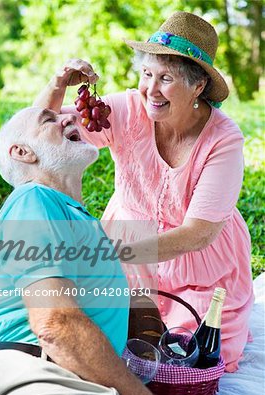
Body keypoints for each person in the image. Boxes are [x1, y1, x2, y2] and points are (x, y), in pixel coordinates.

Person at [33, 11, 254, 373]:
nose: (150, 89)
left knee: (194, 360)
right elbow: (41, 135)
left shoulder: (223, 140)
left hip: (198, 263)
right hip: (130, 253)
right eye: (146, 74)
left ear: (197, 86)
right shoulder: (126, 109)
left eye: (166, 78)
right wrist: (58, 84)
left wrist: (113, 250)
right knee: (104, 345)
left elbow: (200, 233)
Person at [0, 107, 186, 395]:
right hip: (32, 382)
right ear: (23, 153)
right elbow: (55, 323)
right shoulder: (33, 198)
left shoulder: (80, 220)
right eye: (49, 120)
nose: (70, 117)